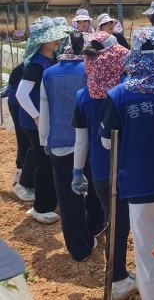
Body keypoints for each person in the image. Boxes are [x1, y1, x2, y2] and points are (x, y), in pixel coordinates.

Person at [99, 27, 154, 300]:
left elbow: (107, 143)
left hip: (138, 185)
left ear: (133, 53)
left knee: (149, 253)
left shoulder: (119, 95)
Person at [72, 30, 137, 299]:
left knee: (116, 223)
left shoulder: (82, 96)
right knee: (123, 227)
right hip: (127, 169)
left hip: (100, 172)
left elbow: (82, 140)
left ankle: (120, 274)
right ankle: (119, 278)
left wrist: (77, 171)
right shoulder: (125, 92)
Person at [39, 31, 105, 261]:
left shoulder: (48, 74)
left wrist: (44, 140)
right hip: (92, 143)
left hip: (60, 143)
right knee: (95, 188)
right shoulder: (92, 71)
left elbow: (45, 110)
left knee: (68, 199)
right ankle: (95, 226)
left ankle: (79, 249)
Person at [15, 17, 69, 223]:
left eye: (58, 37)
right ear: (40, 40)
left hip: (47, 119)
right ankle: (41, 206)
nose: (57, 40)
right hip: (35, 121)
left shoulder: (54, 57)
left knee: (47, 159)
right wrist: (37, 117)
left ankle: (47, 199)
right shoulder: (37, 64)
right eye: (51, 37)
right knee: (44, 162)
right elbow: (22, 94)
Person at [3, 62, 34, 199]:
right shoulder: (37, 57)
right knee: (24, 140)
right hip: (18, 103)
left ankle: (22, 171)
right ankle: (21, 173)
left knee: (27, 141)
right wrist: (9, 87)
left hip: (26, 102)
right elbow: (16, 70)